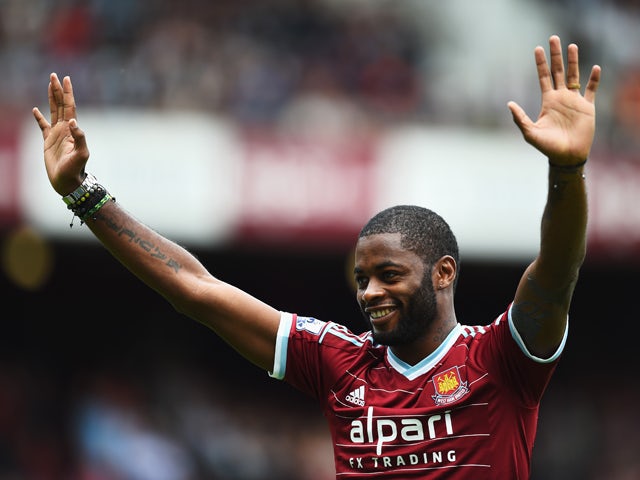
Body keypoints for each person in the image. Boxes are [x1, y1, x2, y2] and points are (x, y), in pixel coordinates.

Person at [33, 34, 600, 478]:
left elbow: (556, 269)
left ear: (443, 273)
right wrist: (83, 195)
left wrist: (567, 170)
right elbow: (197, 290)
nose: (370, 292)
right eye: (362, 279)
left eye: (388, 274)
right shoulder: (338, 362)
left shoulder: (501, 361)